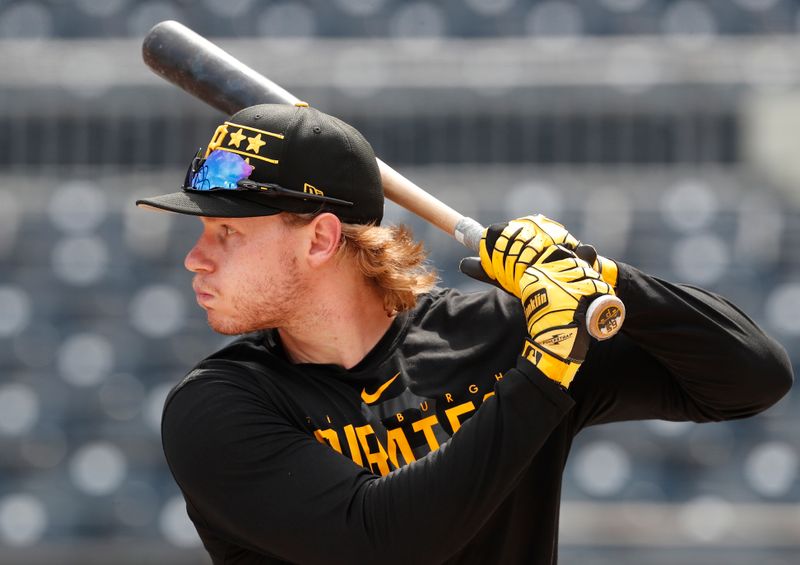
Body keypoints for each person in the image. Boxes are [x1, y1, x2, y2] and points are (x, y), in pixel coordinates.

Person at [136, 102, 793, 565]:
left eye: (226, 233)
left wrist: (600, 274)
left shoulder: (501, 338)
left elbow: (750, 378)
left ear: (321, 239)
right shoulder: (217, 406)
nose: (196, 256)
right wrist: (542, 373)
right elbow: (384, 542)